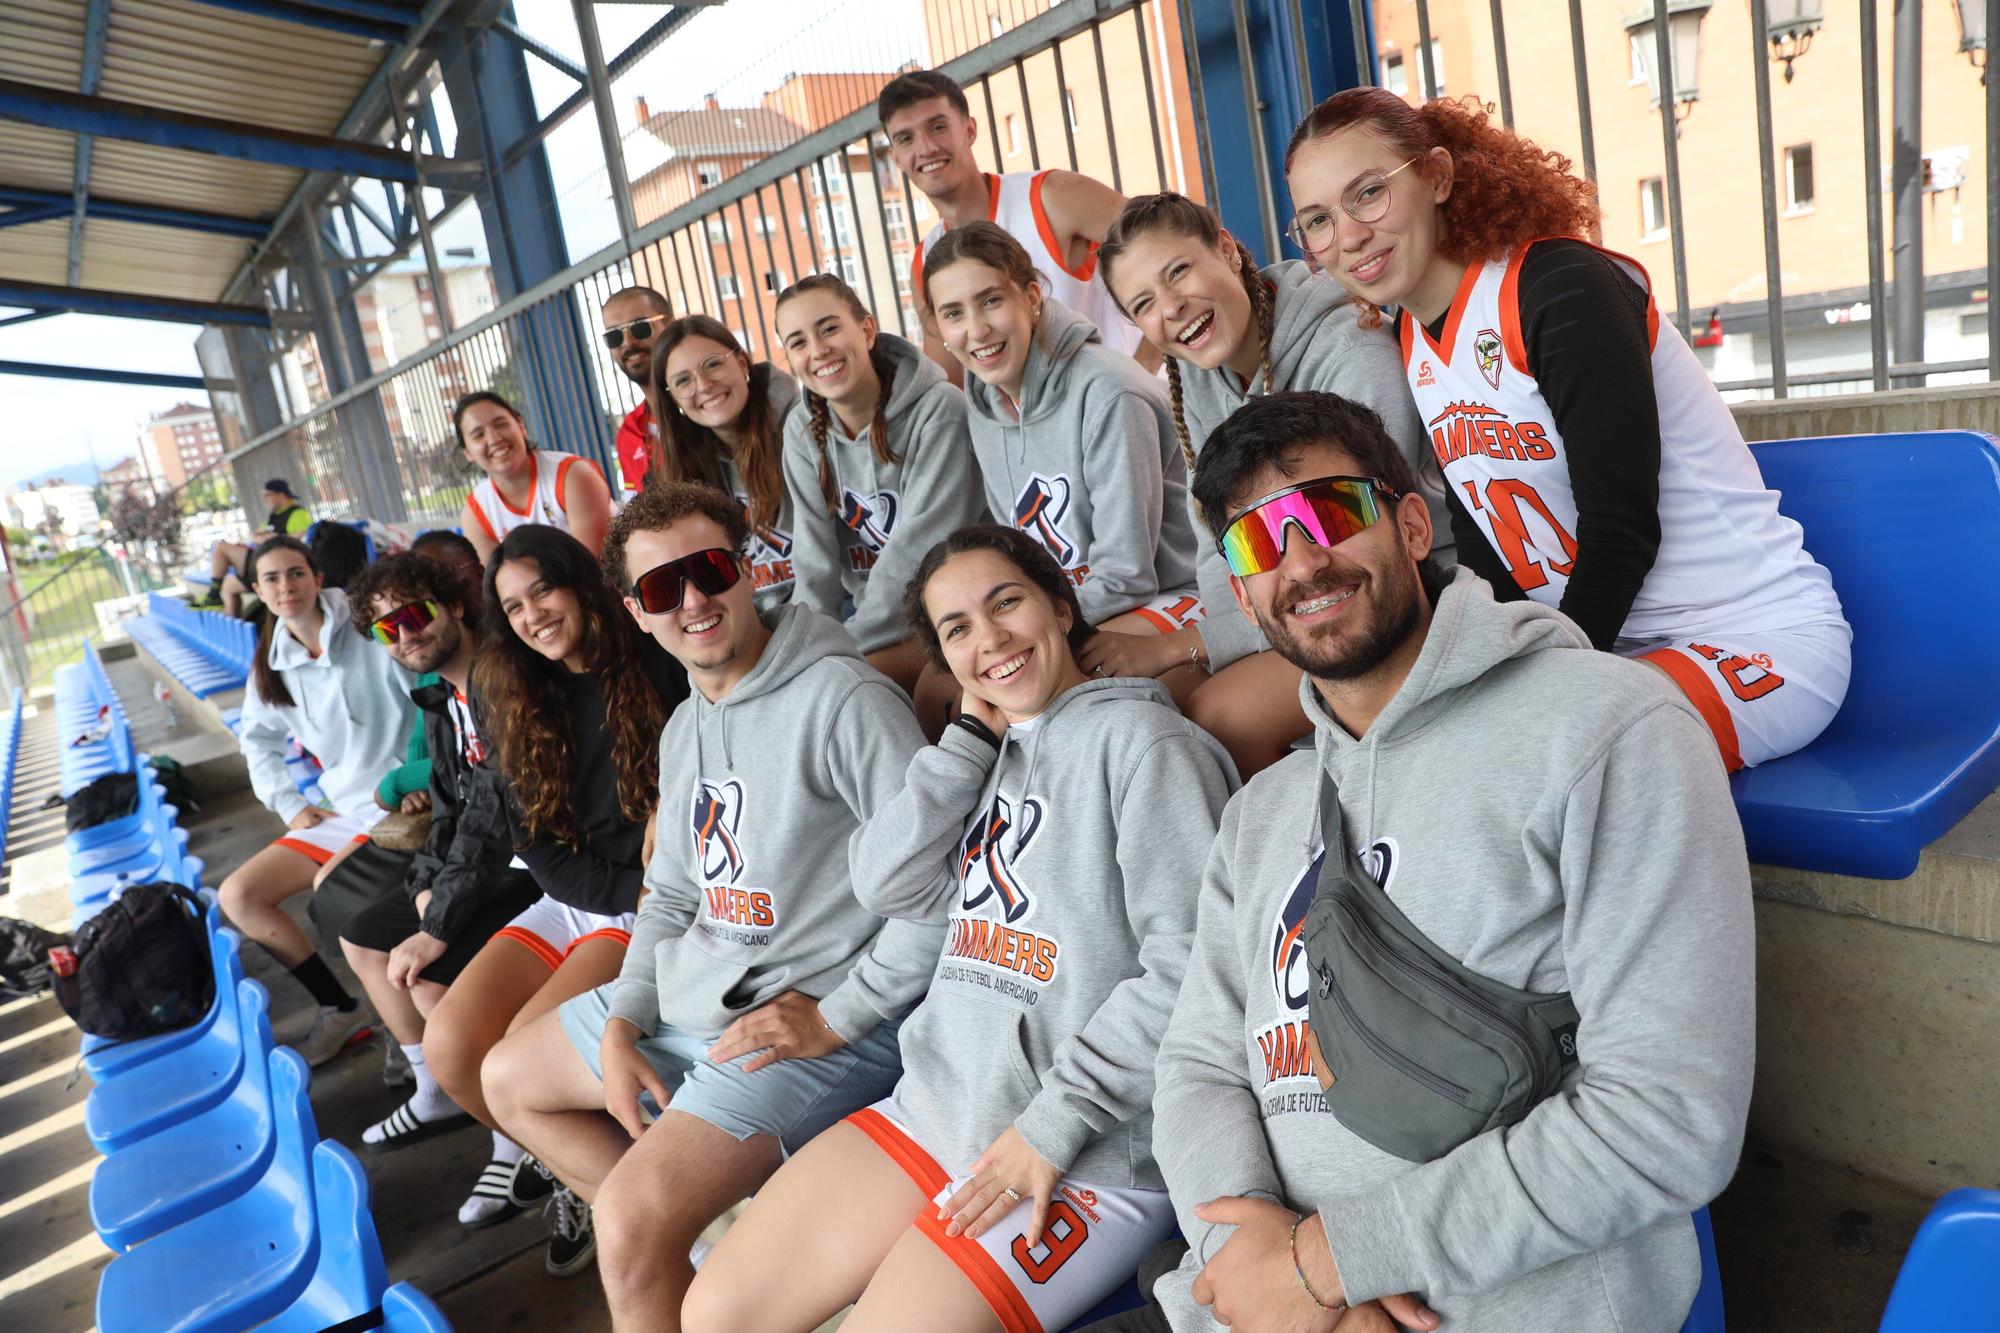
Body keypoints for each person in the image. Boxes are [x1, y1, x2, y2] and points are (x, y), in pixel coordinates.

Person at [1127, 391, 1751, 1333]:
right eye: (1257, 543)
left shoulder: (1610, 730)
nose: (1300, 560)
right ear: (1243, 593)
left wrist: (1331, 1263)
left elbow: (1667, 1117)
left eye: (1329, 511)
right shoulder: (1263, 811)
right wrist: (1254, 1256)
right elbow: (1195, 1067)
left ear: (1412, 522)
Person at [685, 525, 1237, 1333]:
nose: (991, 640)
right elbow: (885, 881)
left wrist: (1051, 1125)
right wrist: (967, 745)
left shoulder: (1147, 744)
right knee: (716, 1312)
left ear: (1058, 604)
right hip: (941, 1104)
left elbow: (1190, 967)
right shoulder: (984, 753)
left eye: (1005, 602)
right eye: (958, 630)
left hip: (1087, 1149)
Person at [482, 482, 939, 1330]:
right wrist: (623, 1022)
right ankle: (687, 1250)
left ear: (749, 569)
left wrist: (842, 1015)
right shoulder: (689, 721)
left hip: (808, 1026)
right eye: (663, 588)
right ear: (635, 609)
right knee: (507, 1076)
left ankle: (661, 1246)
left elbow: (941, 896)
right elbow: (675, 895)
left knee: (622, 1221)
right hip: (703, 996)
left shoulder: (844, 701)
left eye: (711, 570)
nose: (693, 600)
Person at [1282, 89, 1848, 770]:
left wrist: (1542, 684)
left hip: (1748, 636)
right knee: (1413, 744)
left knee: (1522, 765)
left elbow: (1621, 529)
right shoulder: (1410, 332)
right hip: (1611, 653)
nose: (1347, 237)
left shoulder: (1557, 288)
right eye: (1316, 220)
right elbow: (1483, 545)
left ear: (1436, 176)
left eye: (1368, 193)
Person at [1096, 192, 1448, 777]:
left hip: (1391, 594)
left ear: (1228, 250)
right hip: (1291, 593)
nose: (1173, 307)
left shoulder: (1347, 346)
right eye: (1144, 303)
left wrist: (1183, 643)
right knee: (1162, 692)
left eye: (1179, 270)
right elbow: (1219, 546)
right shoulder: (1198, 378)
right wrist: (1209, 641)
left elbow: (1354, 540)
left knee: (1218, 711)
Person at [417, 525, 686, 1245]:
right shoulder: (507, 684)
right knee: (448, 1043)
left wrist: (648, 895)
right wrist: (437, 907)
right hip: (572, 893)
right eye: (513, 605)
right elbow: (528, 837)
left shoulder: (653, 655)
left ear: (579, 583)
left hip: (644, 901)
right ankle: (589, 1180)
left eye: (544, 589)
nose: (533, 614)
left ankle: (653, 1209)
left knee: (517, 1048)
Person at [924, 223, 1205, 708]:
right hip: (1063, 605)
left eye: (992, 300)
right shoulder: (984, 406)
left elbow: (1128, 575)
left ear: (1032, 297)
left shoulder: (1108, 393)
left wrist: (1029, 624)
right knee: (938, 689)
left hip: (1168, 592)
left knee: (1062, 681)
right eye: (954, 313)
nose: (977, 329)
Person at [332, 555, 542, 1150]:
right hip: (489, 867)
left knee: (424, 975)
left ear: (453, 603)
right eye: (385, 628)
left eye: (414, 613)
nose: (404, 634)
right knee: (361, 936)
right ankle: (438, 1090)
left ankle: (516, 1143)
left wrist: (440, 915)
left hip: (535, 870)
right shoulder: (442, 703)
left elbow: (496, 814)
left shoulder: (502, 680)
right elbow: (451, 812)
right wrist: (427, 884)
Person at [225, 535, 416, 1066]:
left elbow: (426, 693)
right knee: (240, 896)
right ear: (258, 591)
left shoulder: (365, 624)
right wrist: (289, 805)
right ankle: (342, 1007)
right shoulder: (272, 663)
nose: (286, 587)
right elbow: (256, 740)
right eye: (272, 578)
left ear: (316, 576)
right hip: (343, 809)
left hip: (400, 800)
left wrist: (421, 776)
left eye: (296, 573)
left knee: (334, 893)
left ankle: (406, 1037)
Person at [773, 274, 987, 697]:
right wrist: (803, 650)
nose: (818, 351)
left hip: (954, 603)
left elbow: (919, 551)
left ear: (867, 329)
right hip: (868, 617)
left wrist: (834, 652)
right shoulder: (801, 432)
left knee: (838, 693)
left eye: (829, 328)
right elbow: (814, 568)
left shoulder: (938, 411)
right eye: (798, 342)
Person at [880, 69, 1153, 379]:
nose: (926, 147)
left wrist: (1140, 377)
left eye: (938, 127)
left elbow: (1170, 253)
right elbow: (949, 383)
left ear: (969, 130)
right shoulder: (925, 262)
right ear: (896, 158)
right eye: (906, 138)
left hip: (1127, 413)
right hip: (1035, 427)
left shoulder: (1052, 197)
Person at [641, 315, 800, 610]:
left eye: (713, 364)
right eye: (683, 380)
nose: (703, 385)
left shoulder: (801, 428)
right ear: (672, 397)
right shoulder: (680, 471)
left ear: (741, 362)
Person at [455, 391, 615, 563]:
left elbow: (593, 566)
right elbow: (494, 583)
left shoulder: (573, 475)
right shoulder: (476, 511)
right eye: (478, 434)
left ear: (521, 426)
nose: (494, 438)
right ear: (467, 453)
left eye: (500, 424)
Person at [602, 286, 676, 494]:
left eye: (640, 328)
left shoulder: (706, 405)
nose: (628, 343)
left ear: (670, 326)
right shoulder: (629, 432)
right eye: (614, 336)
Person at [203, 478, 313, 615]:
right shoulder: (274, 516)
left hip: (275, 563)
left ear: (281, 494)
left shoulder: (297, 513)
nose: (265, 500)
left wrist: (273, 538)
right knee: (227, 587)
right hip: (261, 562)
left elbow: (302, 539)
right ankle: (235, 627)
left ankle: (213, 594)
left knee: (221, 547)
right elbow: (256, 536)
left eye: (268, 495)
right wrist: (262, 538)